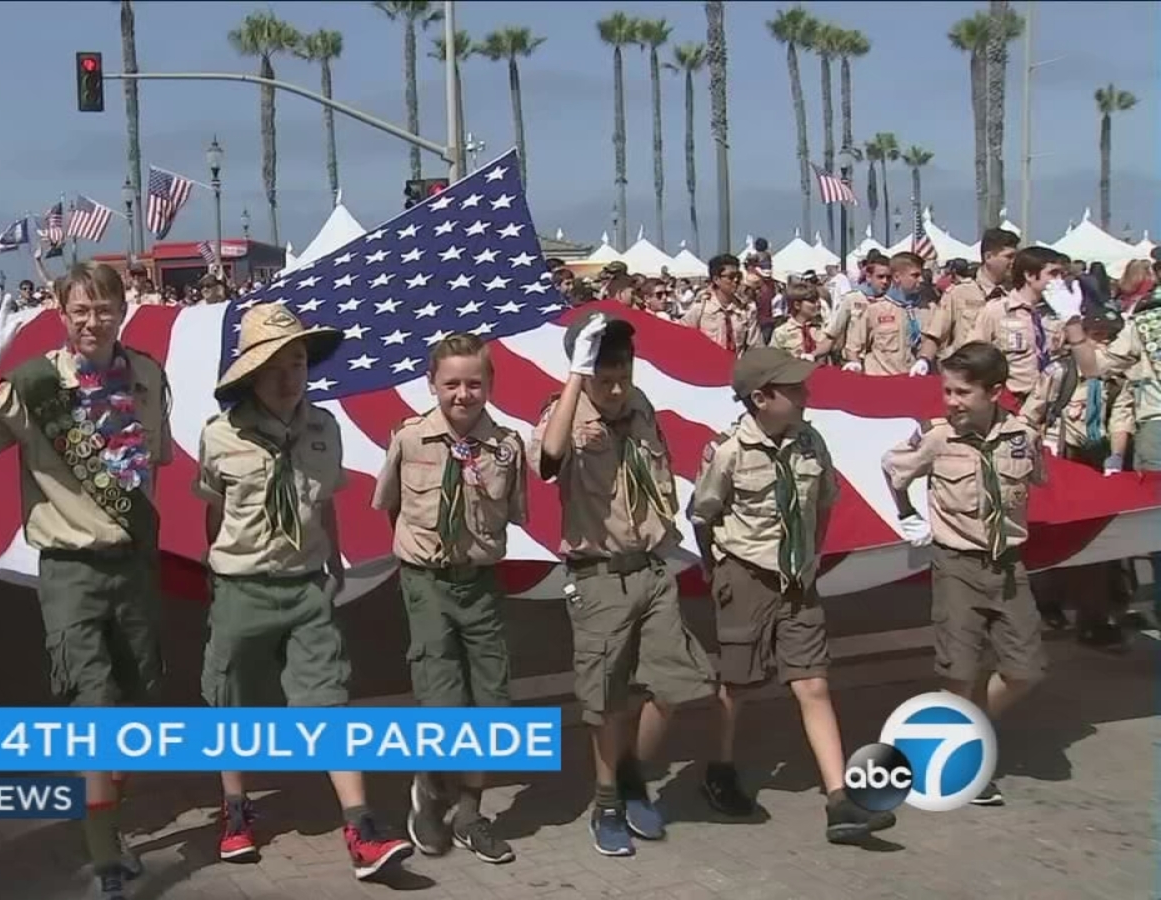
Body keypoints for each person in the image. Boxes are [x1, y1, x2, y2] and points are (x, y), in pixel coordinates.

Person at [0, 267, 165, 900]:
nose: (93, 321)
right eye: (80, 310)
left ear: (123, 309)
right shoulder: (33, 385)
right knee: (94, 712)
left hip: (134, 566)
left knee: (131, 707)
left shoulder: (147, 375)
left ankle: (109, 826)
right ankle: (104, 855)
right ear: (61, 312)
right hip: (70, 571)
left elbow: (154, 466)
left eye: (105, 308)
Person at [194, 303, 414, 880]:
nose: (289, 375)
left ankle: (361, 825)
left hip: (308, 587)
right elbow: (214, 515)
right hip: (242, 587)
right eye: (275, 365)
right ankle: (236, 811)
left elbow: (323, 505)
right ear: (251, 373)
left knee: (329, 701)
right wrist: (219, 576)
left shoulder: (324, 429)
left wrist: (335, 563)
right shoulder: (221, 435)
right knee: (231, 704)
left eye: (297, 362)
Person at [688, 347, 895, 843]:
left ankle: (839, 799)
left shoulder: (810, 442)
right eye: (793, 388)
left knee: (813, 684)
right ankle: (719, 769)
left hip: (797, 580)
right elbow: (704, 513)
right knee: (738, 685)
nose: (806, 394)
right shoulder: (728, 451)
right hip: (746, 574)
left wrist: (810, 557)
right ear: (761, 398)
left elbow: (823, 503)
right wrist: (718, 572)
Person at [530, 311, 716, 857]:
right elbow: (548, 459)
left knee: (673, 685)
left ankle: (632, 770)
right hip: (599, 577)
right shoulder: (565, 413)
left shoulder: (640, 409)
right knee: (607, 700)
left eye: (623, 376)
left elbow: (658, 479)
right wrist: (573, 379)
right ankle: (607, 800)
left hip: (651, 568)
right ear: (583, 372)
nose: (614, 390)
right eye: (603, 378)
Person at [372, 333, 525, 866]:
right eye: (452, 383)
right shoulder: (410, 439)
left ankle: (470, 813)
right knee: (440, 698)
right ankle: (430, 785)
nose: (464, 393)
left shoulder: (507, 446)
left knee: (490, 702)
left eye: (474, 383)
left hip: (480, 583)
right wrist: (420, 558)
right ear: (431, 384)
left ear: (490, 386)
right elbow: (390, 504)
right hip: (428, 582)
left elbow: (516, 513)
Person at [881, 342, 1047, 806]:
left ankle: (962, 730)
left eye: (962, 393)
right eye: (947, 391)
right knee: (959, 670)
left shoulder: (1021, 437)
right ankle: (961, 755)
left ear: (995, 392)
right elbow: (894, 470)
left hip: (1008, 565)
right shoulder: (937, 439)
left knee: (1025, 670)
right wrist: (908, 513)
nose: (951, 401)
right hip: (956, 564)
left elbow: (1039, 480)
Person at [1021, 309, 1134, 646]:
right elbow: (1032, 414)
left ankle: (1094, 617)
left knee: (1095, 544)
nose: (1104, 342)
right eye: (1098, 334)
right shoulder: (1060, 372)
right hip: (1060, 460)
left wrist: (1115, 457)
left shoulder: (1117, 379)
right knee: (1052, 538)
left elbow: (1121, 419)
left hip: (1095, 465)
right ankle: (1047, 602)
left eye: (1110, 336)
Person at [1065, 281, 1161, 623]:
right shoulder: (1141, 324)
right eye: (1099, 331)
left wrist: (1073, 326)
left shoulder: (1144, 325)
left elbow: (1097, 370)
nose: (1103, 336)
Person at [963, 246, 1067, 409]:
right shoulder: (997, 310)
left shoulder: (1059, 314)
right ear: (1030, 275)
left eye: (1062, 274)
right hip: (1013, 402)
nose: (1060, 280)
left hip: (1050, 404)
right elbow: (973, 356)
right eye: (1053, 274)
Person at [921, 228, 1019, 361]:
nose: (1014, 262)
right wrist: (924, 361)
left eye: (1015, 256)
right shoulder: (959, 293)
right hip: (967, 372)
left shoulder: (1015, 296)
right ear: (988, 257)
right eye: (1009, 256)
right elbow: (935, 334)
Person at [844, 253, 931, 377]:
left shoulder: (928, 309)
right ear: (897, 277)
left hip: (915, 381)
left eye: (921, 275)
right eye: (915, 275)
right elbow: (854, 348)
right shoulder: (874, 310)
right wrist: (855, 364)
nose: (921, 280)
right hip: (882, 382)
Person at [683, 254, 761, 354]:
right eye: (731, 277)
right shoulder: (700, 309)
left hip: (738, 367)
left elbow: (756, 347)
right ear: (716, 279)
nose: (736, 280)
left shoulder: (747, 310)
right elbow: (682, 337)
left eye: (739, 276)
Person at [769, 283, 834, 362]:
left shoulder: (825, 329)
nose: (818, 304)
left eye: (817, 300)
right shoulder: (781, 333)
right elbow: (772, 361)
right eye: (812, 301)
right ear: (797, 305)